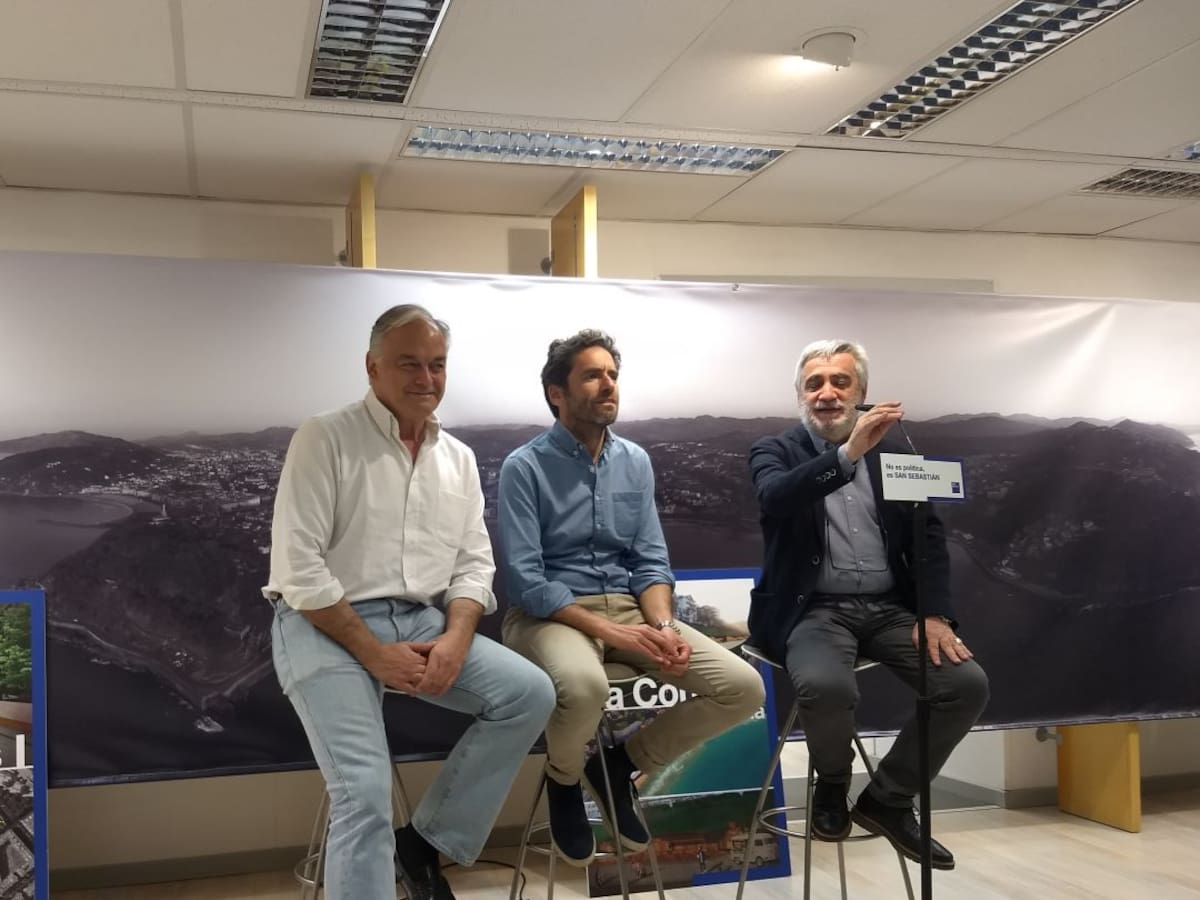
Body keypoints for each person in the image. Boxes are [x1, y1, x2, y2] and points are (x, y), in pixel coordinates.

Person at [264, 305, 556, 900]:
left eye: (437, 364)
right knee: (364, 794)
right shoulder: (325, 436)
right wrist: (374, 654)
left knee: (530, 694)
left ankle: (423, 842)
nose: (426, 378)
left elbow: (474, 566)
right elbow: (300, 569)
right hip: (321, 623)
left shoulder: (458, 459)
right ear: (372, 368)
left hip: (421, 623)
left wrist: (455, 640)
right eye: (409, 364)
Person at [497, 328, 765, 867]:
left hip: (629, 609)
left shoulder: (635, 461)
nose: (608, 385)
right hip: (550, 615)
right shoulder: (523, 467)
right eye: (592, 375)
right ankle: (564, 779)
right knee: (584, 686)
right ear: (556, 393)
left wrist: (663, 629)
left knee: (743, 688)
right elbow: (527, 580)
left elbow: (651, 561)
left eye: (613, 375)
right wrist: (612, 631)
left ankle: (619, 765)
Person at [748, 339, 989, 870]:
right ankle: (832, 785)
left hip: (889, 608)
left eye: (841, 382)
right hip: (813, 609)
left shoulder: (898, 456)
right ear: (799, 395)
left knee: (966, 685)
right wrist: (847, 454)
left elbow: (928, 539)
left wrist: (934, 614)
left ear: (862, 393)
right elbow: (776, 498)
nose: (827, 393)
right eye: (814, 384)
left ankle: (888, 799)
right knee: (827, 687)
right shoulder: (774, 450)